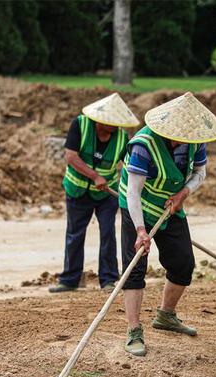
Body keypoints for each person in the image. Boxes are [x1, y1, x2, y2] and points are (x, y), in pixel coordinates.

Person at [118, 93, 216, 357]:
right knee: (135, 268)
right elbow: (133, 192)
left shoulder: (195, 142)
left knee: (183, 263)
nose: (186, 140)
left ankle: (165, 315)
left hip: (171, 206)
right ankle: (133, 331)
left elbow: (200, 173)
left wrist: (182, 194)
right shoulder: (143, 145)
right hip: (138, 206)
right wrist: (141, 231)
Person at [50, 93, 139, 293]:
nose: (117, 127)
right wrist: (94, 176)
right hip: (77, 190)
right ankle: (70, 280)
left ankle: (108, 279)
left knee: (108, 232)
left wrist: (133, 190)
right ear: (101, 121)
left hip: (106, 194)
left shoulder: (122, 138)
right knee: (75, 234)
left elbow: (130, 166)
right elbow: (71, 157)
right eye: (113, 123)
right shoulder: (80, 125)